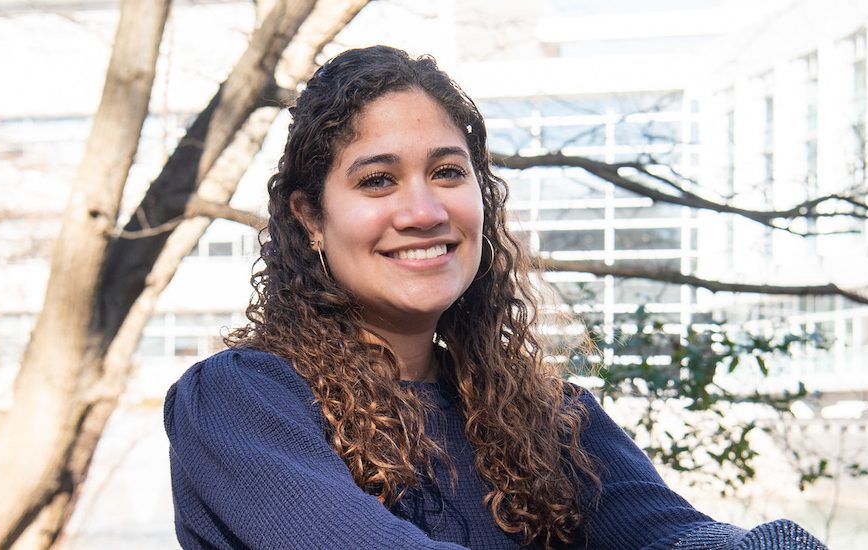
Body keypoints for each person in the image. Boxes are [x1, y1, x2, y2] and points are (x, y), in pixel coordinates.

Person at [163, 45, 826, 550]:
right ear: (311, 217)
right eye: (377, 180)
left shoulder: (548, 419)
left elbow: (677, 538)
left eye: (448, 172)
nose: (422, 211)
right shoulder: (237, 403)